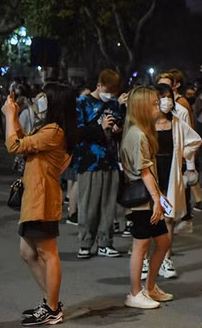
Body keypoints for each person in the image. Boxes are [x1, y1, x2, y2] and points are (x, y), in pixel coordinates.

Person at [5, 83, 78, 326]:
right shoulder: (50, 129)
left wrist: (9, 116)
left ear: (55, 102)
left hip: (42, 199)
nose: (39, 99)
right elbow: (24, 141)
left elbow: (14, 145)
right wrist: (15, 117)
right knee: (27, 253)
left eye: (44, 96)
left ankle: (52, 308)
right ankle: (51, 302)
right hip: (34, 198)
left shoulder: (55, 131)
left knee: (48, 253)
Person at [120, 86, 173, 309]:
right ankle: (135, 293)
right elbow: (144, 172)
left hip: (149, 197)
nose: (159, 106)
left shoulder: (141, 131)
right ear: (141, 107)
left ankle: (149, 287)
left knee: (163, 241)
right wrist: (157, 199)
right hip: (142, 200)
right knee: (141, 246)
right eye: (154, 103)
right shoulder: (138, 134)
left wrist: (159, 198)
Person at [149, 83, 202, 279]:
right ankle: (146, 259)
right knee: (149, 217)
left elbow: (194, 141)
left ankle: (166, 259)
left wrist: (185, 159)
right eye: (161, 97)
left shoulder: (177, 122)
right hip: (151, 173)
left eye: (168, 96)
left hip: (171, 172)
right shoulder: (147, 123)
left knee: (169, 218)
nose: (166, 101)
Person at [74, 69, 125, 260]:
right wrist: (99, 128)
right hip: (89, 162)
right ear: (99, 85)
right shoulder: (82, 103)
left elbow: (119, 126)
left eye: (113, 92)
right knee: (88, 205)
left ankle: (105, 242)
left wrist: (117, 129)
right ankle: (85, 243)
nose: (110, 95)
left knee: (108, 205)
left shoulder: (113, 104)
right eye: (108, 90)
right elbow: (77, 132)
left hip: (110, 160)